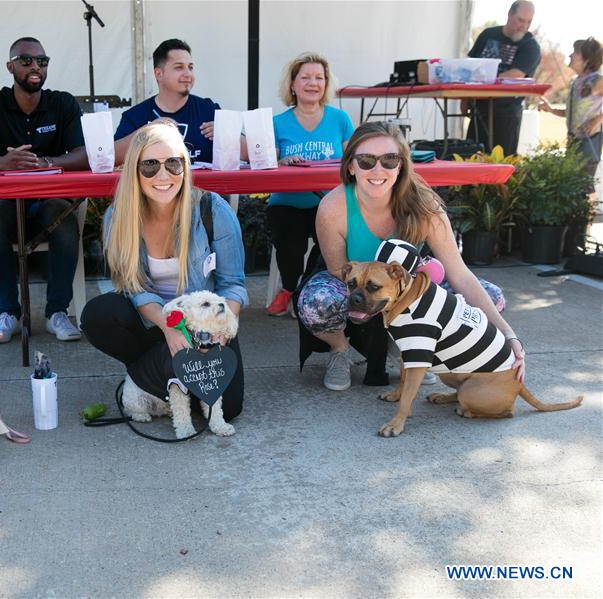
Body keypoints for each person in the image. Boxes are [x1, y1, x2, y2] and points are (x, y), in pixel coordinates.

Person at [298, 121, 525, 392]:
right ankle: (340, 349)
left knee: (493, 298)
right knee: (317, 302)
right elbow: (339, 271)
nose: (378, 169)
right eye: (366, 160)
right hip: (359, 288)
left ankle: (415, 346)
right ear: (351, 166)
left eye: (389, 159)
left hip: (411, 288)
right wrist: (384, 300)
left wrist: (508, 334)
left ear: (402, 165)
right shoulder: (333, 207)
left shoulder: (424, 203)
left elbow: (459, 273)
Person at [81, 123, 248, 420]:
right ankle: (162, 368)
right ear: (134, 170)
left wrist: (220, 332)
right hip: (155, 326)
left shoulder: (213, 210)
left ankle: (154, 376)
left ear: (185, 166)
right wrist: (169, 326)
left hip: (205, 326)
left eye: (173, 163)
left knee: (230, 408)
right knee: (98, 315)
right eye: (150, 165)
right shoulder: (118, 218)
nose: (163, 175)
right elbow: (135, 288)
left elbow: (232, 284)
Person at [0, 36, 87, 344]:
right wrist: (4, 162)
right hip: (6, 203)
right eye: (26, 61)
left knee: (63, 216)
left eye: (42, 61)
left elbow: (84, 153)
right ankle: (9, 312)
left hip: (47, 204)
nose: (35, 67)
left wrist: (48, 162)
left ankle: (57, 312)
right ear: (10, 66)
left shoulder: (62, 103)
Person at [262, 52, 354, 317]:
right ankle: (290, 287)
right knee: (289, 238)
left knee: (332, 243)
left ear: (326, 84)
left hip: (329, 202)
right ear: (292, 84)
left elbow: (353, 161)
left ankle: (306, 288)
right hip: (287, 203)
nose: (313, 83)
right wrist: (282, 159)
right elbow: (264, 162)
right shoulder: (277, 122)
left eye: (319, 77)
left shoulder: (340, 119)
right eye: (305, 77)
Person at [114, 39, 219, 164]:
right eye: (179, 67)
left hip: (203, 184)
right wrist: (145, 134)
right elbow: (110, 157)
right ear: (159, 74)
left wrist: (226, 135)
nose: (188, 74)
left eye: (190, 67)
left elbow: (247, 153)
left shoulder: (208, 109)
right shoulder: (135, 116)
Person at [466, 0, 541, 156]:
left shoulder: (530, 45)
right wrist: (464, 99)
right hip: (479, 108)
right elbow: (470, 67)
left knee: (501, 162)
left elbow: (515, 75)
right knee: (472, 156)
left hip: (506, 113)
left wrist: (484, 82)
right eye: (520, 20)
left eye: (529, 21)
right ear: (509, 15)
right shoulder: (488, 35)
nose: (524, 26)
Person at [539, 37, 603, 177]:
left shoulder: (598, 80)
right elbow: (572, 113)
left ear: (587, 59)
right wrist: (551, 109)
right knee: (574, 185)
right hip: (573, 141)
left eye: (575, 52)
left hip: (589, 143)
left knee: (584, 187)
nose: (570, 55)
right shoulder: (577, 81)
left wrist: (598, 119)